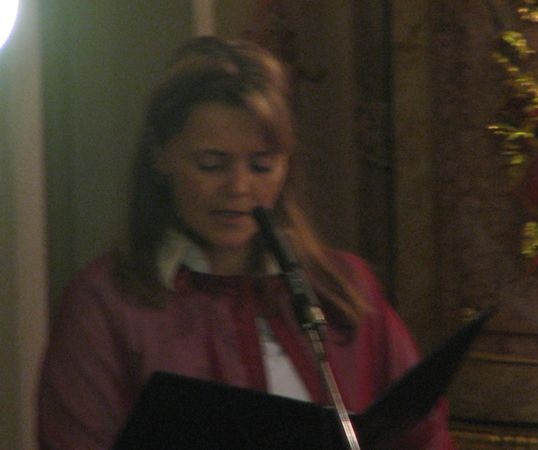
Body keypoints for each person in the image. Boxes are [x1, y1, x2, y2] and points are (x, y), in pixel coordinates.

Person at [37, 36, 455, 449]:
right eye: (211, 164)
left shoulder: (345, 286)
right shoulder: (105, 303)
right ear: (160, 156)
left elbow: (424, 436)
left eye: (261, 166)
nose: (239, 187)